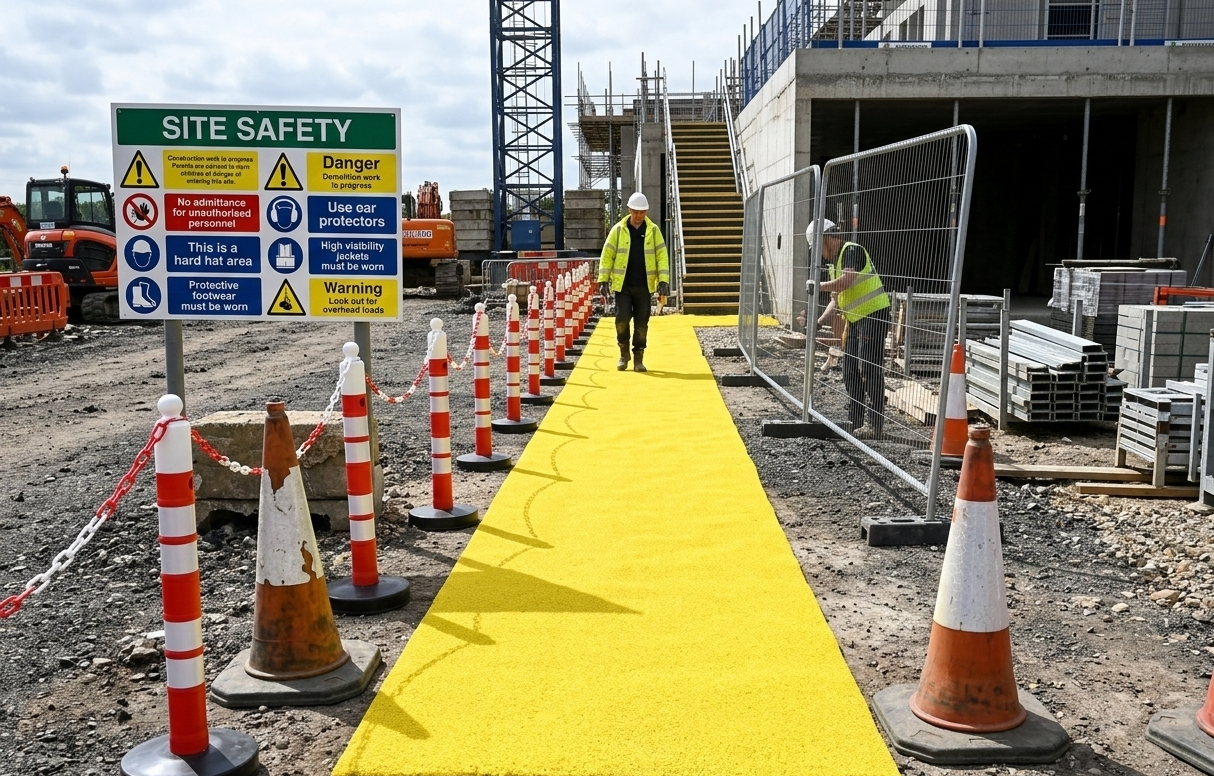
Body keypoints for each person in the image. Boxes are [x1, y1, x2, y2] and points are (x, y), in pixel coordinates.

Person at [809, 219, 890, 437]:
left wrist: (819, 286)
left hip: (874, 316)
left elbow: (847, 282)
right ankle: (855, 421)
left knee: (868, 368)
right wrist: (818, 323)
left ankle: (875, 424)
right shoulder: (834, 263)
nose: (818, 254)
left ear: (825, 240)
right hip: (856, 320)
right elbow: (836, 298)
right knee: (850, 370)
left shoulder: (851, 251)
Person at [598, 192, 670, 372]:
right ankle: (624, 353)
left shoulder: (653, 231)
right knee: (621, 319)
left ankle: (639, 357)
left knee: (641, 323)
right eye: (636, 211)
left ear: (646, 212)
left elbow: (662, 256)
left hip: (644, 286)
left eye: (642, 212)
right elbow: (607, 255)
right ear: (629, 210)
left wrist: (663, 280)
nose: (639, 215)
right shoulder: (618, 230)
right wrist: (603, 280)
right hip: (623, 285)